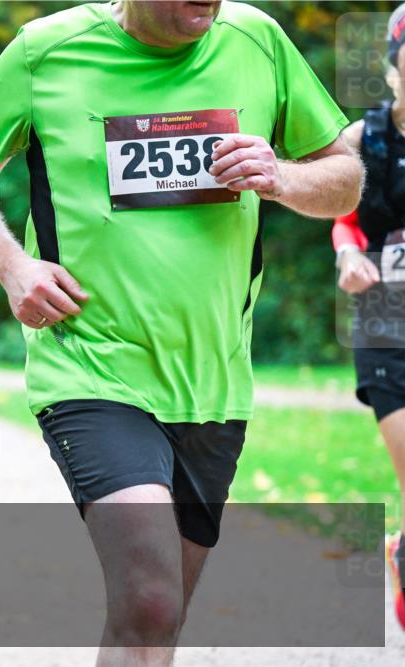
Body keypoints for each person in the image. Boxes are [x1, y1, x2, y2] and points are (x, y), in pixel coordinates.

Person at [0, 1, 362, 663]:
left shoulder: (259, 40)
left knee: (159, 619)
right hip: (89, 366)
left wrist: (282, 176)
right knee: (150, 600)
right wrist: (13, 267)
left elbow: (345, 181)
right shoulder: (45, 51)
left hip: (213, 380)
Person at [332, 3, 405, 629]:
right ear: (393, 69)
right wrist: (349, 253)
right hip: (385, 323)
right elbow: (344, 217)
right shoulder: (364, 139)